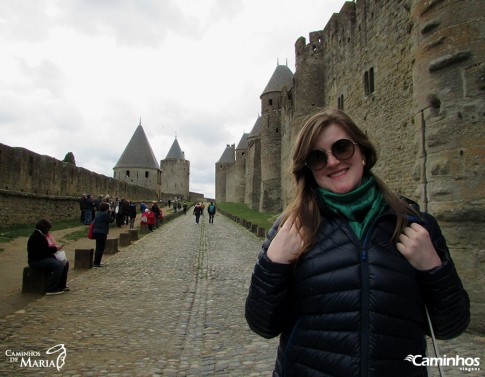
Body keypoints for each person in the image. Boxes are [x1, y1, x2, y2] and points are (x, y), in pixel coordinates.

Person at [245, 109, 470, 377]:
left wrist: (434, 267)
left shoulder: (415, 225)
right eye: (318, 157)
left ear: (362, 152)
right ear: (309, 169)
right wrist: (274, 264)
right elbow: (263, 325)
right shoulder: (291, 229)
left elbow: (451, 326)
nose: (332, 162)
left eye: (342, 148)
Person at [27, 219, 70, 295]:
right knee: (58, 265)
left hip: (42, 257)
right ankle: (52, 288)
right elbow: (43, 251)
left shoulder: (41, 236)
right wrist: (55, 249)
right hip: (37, 260)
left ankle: (62, 284)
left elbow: (44, 249)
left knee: (64, 262)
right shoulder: (36, 237)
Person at [92, 202, 114, 267]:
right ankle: (97, 263)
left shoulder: (98, 213)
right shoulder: (105, 214)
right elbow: (112, 220)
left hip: (96, 231)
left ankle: (96, 261)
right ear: (106, 209)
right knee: (101, 248)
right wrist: (110, 213)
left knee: (98, 247)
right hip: (102, 232)